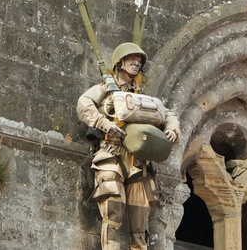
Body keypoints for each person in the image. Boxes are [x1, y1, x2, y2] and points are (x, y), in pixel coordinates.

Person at [77, 42, 180, 250]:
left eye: (140, 60)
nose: (137, 63)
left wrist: (172, 128)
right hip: (111, 155)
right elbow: (84, 104)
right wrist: (104, 124)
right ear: (120, 62)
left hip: (138, 163)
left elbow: (166, 113)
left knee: (139, 222)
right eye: (132, 58)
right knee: (112, 213)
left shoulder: (141, 96)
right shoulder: (105, 90)